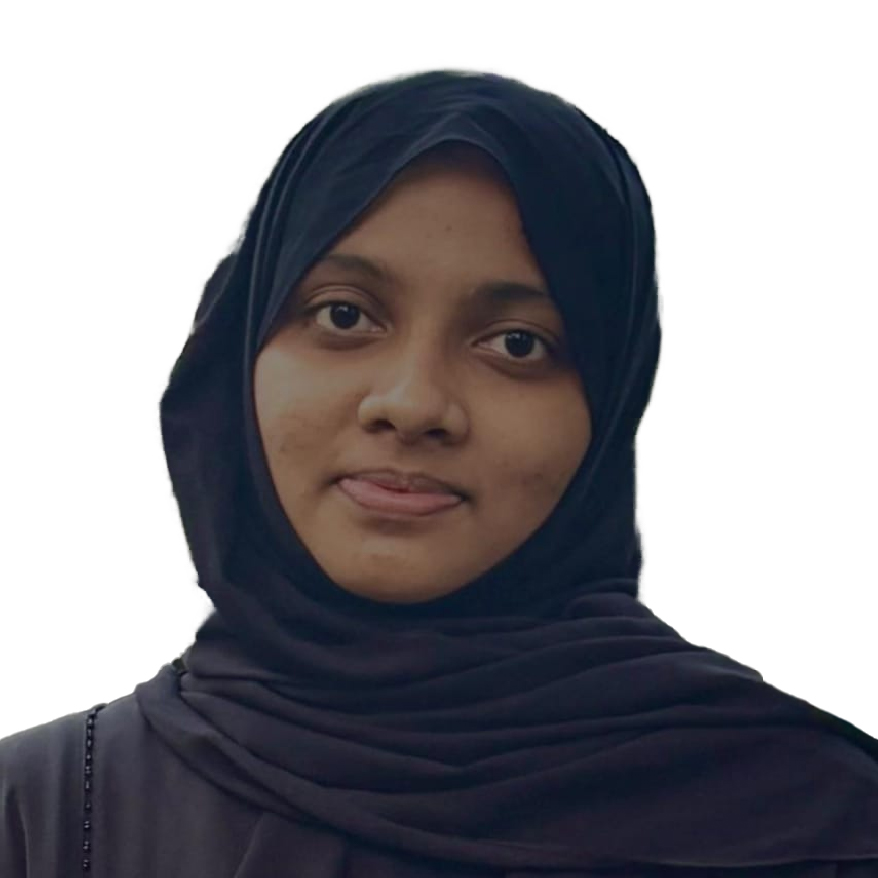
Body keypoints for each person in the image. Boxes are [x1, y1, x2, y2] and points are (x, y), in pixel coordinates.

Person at [2, 68, 877, 877]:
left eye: (517, 343)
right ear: (238, 355)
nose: (413, 402)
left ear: (609, 406)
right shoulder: (43, 818)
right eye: (344, 315)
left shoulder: (819, 821)